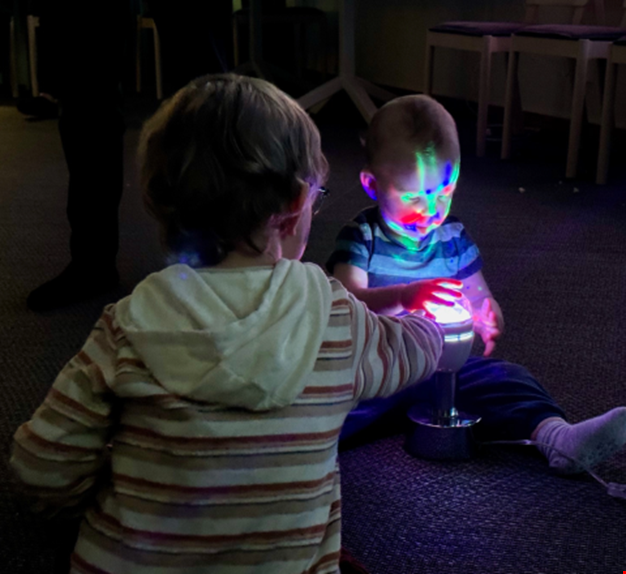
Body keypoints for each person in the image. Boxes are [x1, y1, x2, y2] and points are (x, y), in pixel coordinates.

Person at [11, 74, 447, 574]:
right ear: (294, 206)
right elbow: (409, 353)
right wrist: (431, 325)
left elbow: (39, 467)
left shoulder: (128, 323)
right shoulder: (332, 312)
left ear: (159, 199)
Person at [327, 94, 626, 474]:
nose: (430, 210)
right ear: (372, 184)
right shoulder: (361, 238)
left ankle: (558, 438)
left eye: (444, 192)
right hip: (375, 370)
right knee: (328, 399)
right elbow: (346, 304)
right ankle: (286, 449)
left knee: (508, 379)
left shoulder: (454, 239)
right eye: (413, 196)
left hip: (444, 371)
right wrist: (404, 296)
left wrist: (487, 315)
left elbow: (479, 296)